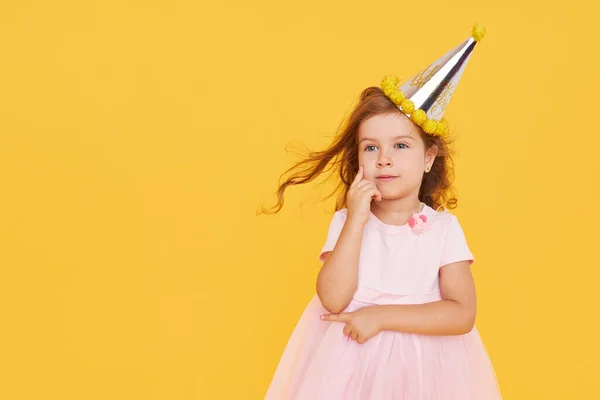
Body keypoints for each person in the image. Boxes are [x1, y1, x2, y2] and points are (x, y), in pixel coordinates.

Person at [263, 23, 502, 399]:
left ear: (428, 158)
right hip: (348, 362)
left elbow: (462, 314)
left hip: (427, 370)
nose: (384, 159)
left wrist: (380, 316)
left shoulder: (442, 229)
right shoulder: (347, 222)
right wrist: (356, 220)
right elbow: (333, 298)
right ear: (358, 157)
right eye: (371, 148)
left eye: (401, 146)